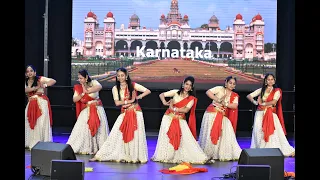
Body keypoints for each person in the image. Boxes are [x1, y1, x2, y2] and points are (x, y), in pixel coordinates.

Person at [90, 67, 151, 163]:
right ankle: (100, 155)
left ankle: (133, 156)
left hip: (136, 113)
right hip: (124, 113)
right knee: (115, 133)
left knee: (135, 135)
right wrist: (129, 101)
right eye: (118, 76)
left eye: (122, 75)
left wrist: (138, 97)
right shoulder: (115, 88)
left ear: (126, 76)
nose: (120, 77)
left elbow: (147, 91)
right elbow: (117, 103)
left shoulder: (132, 85)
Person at [151, 76, 211, 164]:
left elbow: (186, 110)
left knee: (186, 139)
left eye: (190, 85)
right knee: (167, 138)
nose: (188, 86)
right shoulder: (175, 92)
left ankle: (196, 156)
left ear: (192, 87)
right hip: (168, 118)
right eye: (186, 84)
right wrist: (164, 102)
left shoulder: (191, 99)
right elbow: (161, 94)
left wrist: (173, 108)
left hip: (180, 120)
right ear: (183, 84)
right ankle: (166, 156)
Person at [247, 73, 295, 156]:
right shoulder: (261, 90)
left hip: (271, 114)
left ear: (274, 81)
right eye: (268, 79)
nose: (270, 81)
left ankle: (272, 150)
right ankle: (260, 149)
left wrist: (263, 104)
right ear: (265, 81)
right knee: (259, 131)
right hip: (259, 114)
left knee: (273, 132)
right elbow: (249, 96)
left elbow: (274, 102)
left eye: (271, 79)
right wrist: (255, 102)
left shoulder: (277, 91)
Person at [198, 76, 242, 161]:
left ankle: (219, 153)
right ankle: (209, 153)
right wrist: (217, 99)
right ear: (226, 83)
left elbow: (234, 106)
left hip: (222, 115)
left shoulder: (235, 95)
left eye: (234, 84)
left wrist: (224, 103)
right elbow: (208, 92)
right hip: (211, 114)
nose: (232, 85)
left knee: (226, 134)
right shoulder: (219, 88)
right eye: (230, 83)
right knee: (210, 133)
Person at [66, 69, 109, 154]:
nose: (79, 80)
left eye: (81, 78)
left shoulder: (94, 83)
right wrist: (82, 94)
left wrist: (85, 88)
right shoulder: (78, 88)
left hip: (97, 110)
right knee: (85, 129)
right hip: (86, 110)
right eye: (78, 78)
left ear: (86, 78)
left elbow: (98, 88)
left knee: (99, 129)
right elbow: (75, 99)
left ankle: (99, 148)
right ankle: (88, 147)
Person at [25, 65, 56, 149]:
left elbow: (53, 81)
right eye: (27, 71)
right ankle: (32, 142)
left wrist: (45, 85)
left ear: (35, 72)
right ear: (26, 74)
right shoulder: (26, 82)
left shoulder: (40, 79)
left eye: (31, 71)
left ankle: (42, 142)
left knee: (41, 122)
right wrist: (36, 87)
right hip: (31, 104)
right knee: (31, 122)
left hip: (41, 103)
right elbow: (27, 90)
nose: (30, 73)